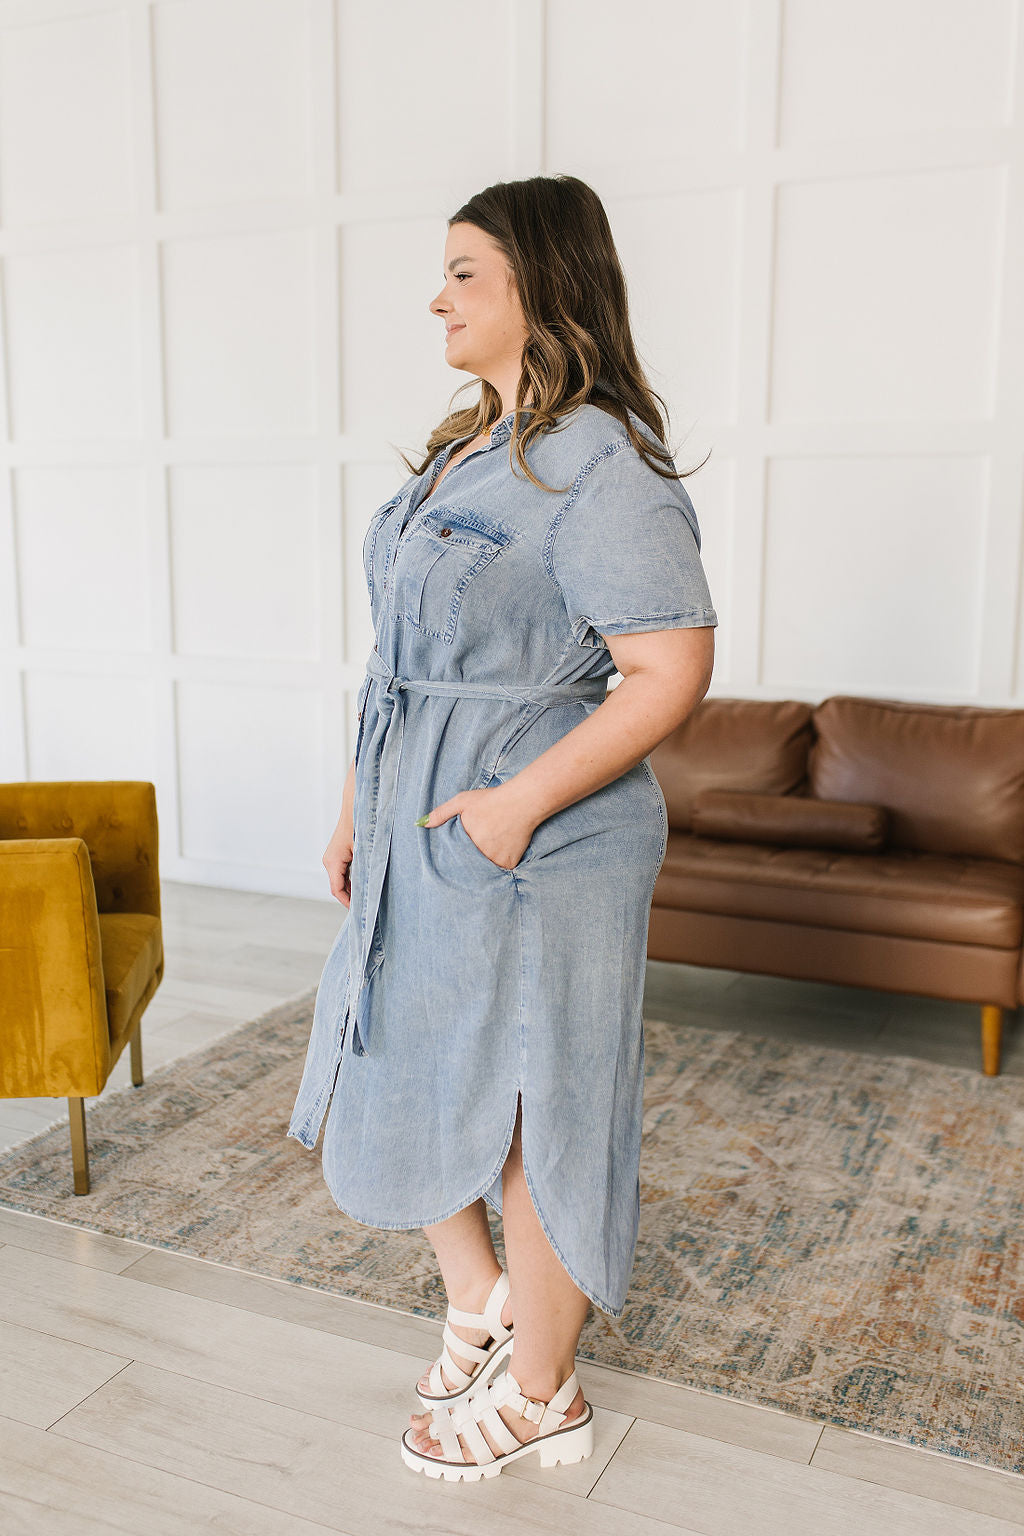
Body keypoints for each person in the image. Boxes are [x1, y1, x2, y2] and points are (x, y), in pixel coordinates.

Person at [286, 174, 718, 1482]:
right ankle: (481, 1297)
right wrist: (361, 805)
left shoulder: (604, 465)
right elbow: (397, 655)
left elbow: (672, 668)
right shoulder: (465, 449)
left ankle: (543, 1392)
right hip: (425, 816)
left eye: (466, 270)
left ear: (542, 282)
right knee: (406, 1056)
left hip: (541, 843)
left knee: (537, 1102)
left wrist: (522, 804)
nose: (439, 295)